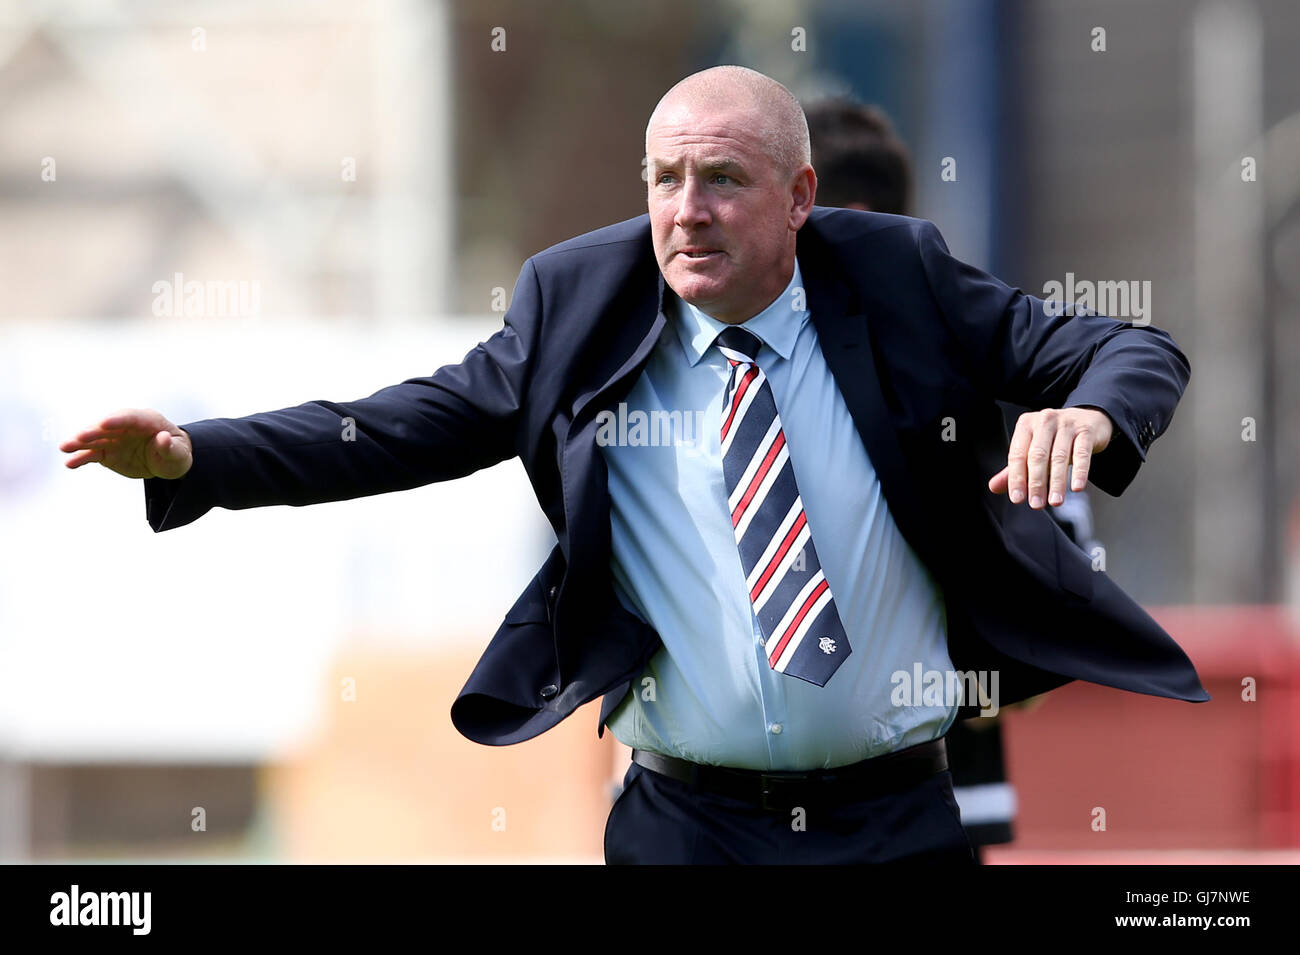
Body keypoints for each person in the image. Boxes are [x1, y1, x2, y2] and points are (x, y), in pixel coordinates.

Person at [61, 65, 1206, 865]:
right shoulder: (580, 299)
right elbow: (409, 423)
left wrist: (1095, 417)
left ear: (802, 198)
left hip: (893, 818)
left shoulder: (896, 275)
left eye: (721, 180)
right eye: (663, 180)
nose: (685, 213)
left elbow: (1127, 346)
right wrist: (194, 454)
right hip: (682, 826)